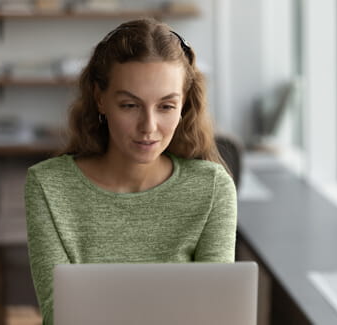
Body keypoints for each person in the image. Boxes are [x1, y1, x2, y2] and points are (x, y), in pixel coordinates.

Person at [24, 18, 237, 325]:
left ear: (184, 104)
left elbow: (217, 315)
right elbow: (61, 315)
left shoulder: (213, 189)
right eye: (129, 105)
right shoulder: (48, 187)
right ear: (100, 99)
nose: (148, 128)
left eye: (166, 106)